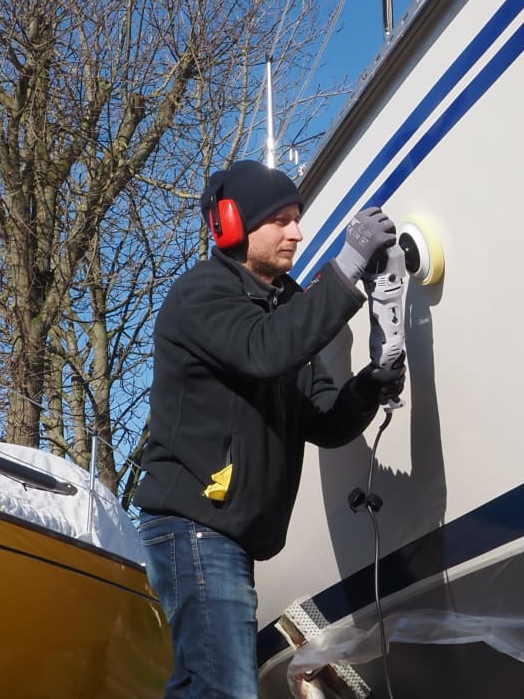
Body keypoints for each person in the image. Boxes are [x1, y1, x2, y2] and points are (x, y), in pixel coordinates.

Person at [133, 159, 405, 698]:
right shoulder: (202, 295)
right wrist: (348, 265)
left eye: (297, 218)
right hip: (193, 524)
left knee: (206, 686)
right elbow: (264, 350)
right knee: (222, 688)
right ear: (231, 224)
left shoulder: (286, 308)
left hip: (227, 534)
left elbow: (323, 422)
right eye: (280, 219)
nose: (297, 232)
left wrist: (371, 383)